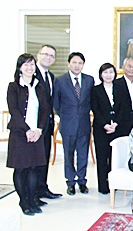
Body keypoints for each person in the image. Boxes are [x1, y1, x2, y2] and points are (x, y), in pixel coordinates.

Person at [7, 54, 49, 216]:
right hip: (20, 134)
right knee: (21, 169)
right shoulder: (13, 87)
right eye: (26, 65)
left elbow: (45, 110)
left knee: (33, 168)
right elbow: (14, 111)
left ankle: (32, 199)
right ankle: (23, 201)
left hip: (36, 134)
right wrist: (27, 130)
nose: (29, 68)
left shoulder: (39, 86)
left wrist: (39, 129)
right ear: (20, 68)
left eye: (31, 64)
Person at [53, 52, 94, 195]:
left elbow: (91, 101)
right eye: (74, 62)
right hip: (67, 124)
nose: (77, 65)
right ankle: (70, 182)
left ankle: (82, 181)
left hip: (84, 123)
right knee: (68, 154)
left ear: (83, 65)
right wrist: (66, 116)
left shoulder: (89, 80)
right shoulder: (60, 80)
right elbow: (56, 103)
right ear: (68, 63)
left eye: (80, 63)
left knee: (83, 154)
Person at [91, 63, 127, 194]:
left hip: (117, 128)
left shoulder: (120, 88)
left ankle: (114, 184)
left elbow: (124, 108)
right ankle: (103, 186)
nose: (108, 75)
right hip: (101, 129)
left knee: (115, 156)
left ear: (115, 74)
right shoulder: (95, 90)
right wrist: (105, 124)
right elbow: (95, 109)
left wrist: (116, 123)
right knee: (102, 156)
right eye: (105, 73)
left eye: (111, 72)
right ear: (101, 74)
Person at [34, 45, 62, 204]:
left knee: (44, 157)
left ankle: (42, 188)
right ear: (38, 55)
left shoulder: (50, 76)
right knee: (34, 160)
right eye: (45, 54)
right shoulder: (31, 73)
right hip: (34, 126)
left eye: (51, 56)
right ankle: (32, 193)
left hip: (47, 125)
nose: (48, 58)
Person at [114, 57, 133, 135]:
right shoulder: (116, 84)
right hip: (122, 120)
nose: (132, 69)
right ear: (123, 68)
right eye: (129, 66)